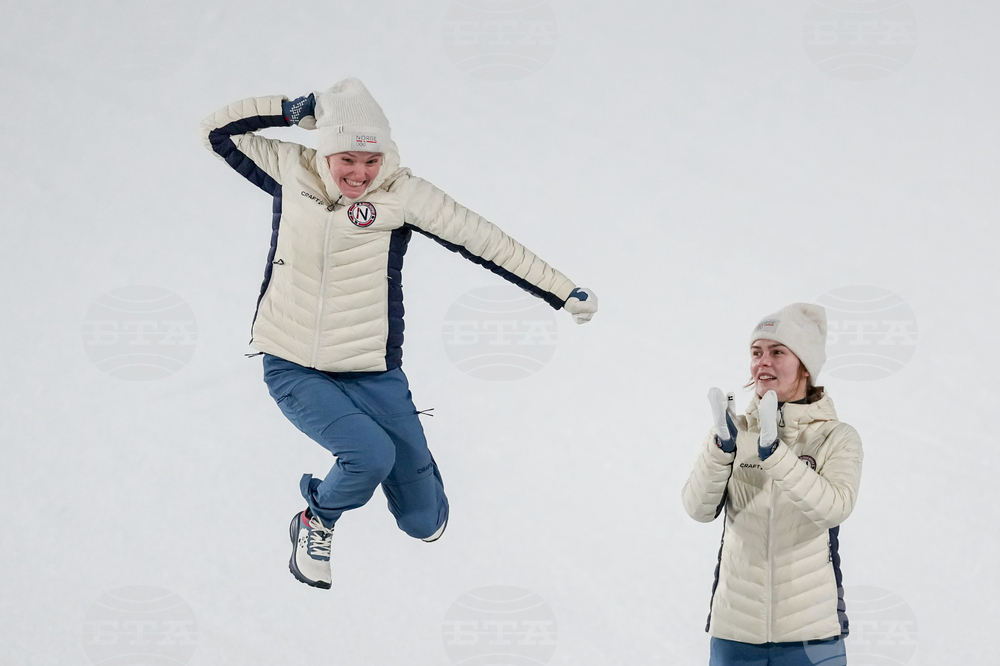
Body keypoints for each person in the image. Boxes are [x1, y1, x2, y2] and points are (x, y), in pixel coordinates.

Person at [200, 78, 598, 589]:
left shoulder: (402, 194)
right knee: (368, 455)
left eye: (371, 161)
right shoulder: (288, 169)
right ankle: (315, 520)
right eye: (347, 159)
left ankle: (415, 468)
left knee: (423, 522)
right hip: (294, 363)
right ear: (324, 150)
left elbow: (488, 240)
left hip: (372, 373)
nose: (360, 174)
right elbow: (216, 131)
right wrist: (286, 109)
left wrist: (562, 290)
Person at [681, 303, 863, 665]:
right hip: (735, 634)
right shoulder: (734, 430)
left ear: (805, 366)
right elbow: (698, 509)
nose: (763, 361)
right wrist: (722, 448)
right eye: (756, 352)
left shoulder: (836, 437)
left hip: (811, 636)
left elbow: (834, 507)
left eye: (777, 352)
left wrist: (775, 453)